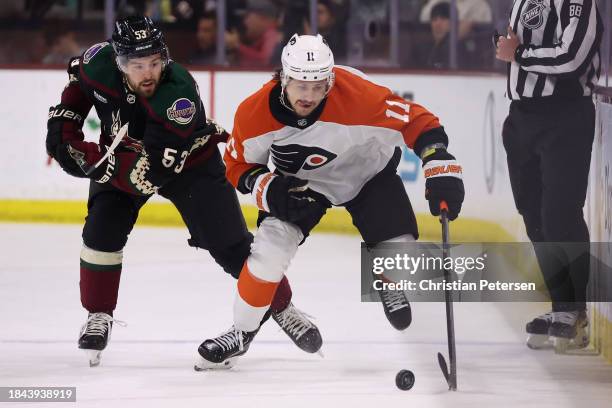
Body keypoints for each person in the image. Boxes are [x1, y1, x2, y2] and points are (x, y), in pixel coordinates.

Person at [45, 16, 321, 368]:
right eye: (137, 65)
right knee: (101, 231)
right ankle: (98, 313)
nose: (148, 73)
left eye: (154, 63)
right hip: (124, 156)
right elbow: (77, 84)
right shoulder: (96, 61)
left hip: (190, 165)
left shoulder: (179, 94)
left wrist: (95, 160)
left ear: (164, 59)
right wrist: (63, 124)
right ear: (118, 61)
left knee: (231, 246)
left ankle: (282, 306)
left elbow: (150, 173)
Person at [195, 33, 465, 369]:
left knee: (400, 252)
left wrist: (439, 163)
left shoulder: (360, 96)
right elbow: (236, 166)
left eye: (318, 85)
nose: (308, 95)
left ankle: (386, 278)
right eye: (299, 85)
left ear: (331, 80)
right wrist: (267, 186)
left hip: (367, 173)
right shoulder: (254, 113)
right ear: (282, 78)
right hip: (302, 185)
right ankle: (242, 332)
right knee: (266, 257)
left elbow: (417, 119)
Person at [495, 0, 603, 352]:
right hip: (522, 116)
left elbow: (573, 58)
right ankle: (561, 307)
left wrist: (520, 54)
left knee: (560, 215)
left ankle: (575, 311)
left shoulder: (578, 3)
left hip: (564, 117)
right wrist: (511, 49)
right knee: (535, 218)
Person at [410, 2, 469, 69]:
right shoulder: (422, 49)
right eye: (434, 19)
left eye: (443, 19)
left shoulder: (457, 50)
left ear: (453, 23)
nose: (438, 24)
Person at [225, 0, 281, 67]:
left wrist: (237, 46)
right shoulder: (256, 35)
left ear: (262, 18)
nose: (245, 22)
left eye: (247, 17)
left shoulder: (272, 34)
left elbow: (265, 61)